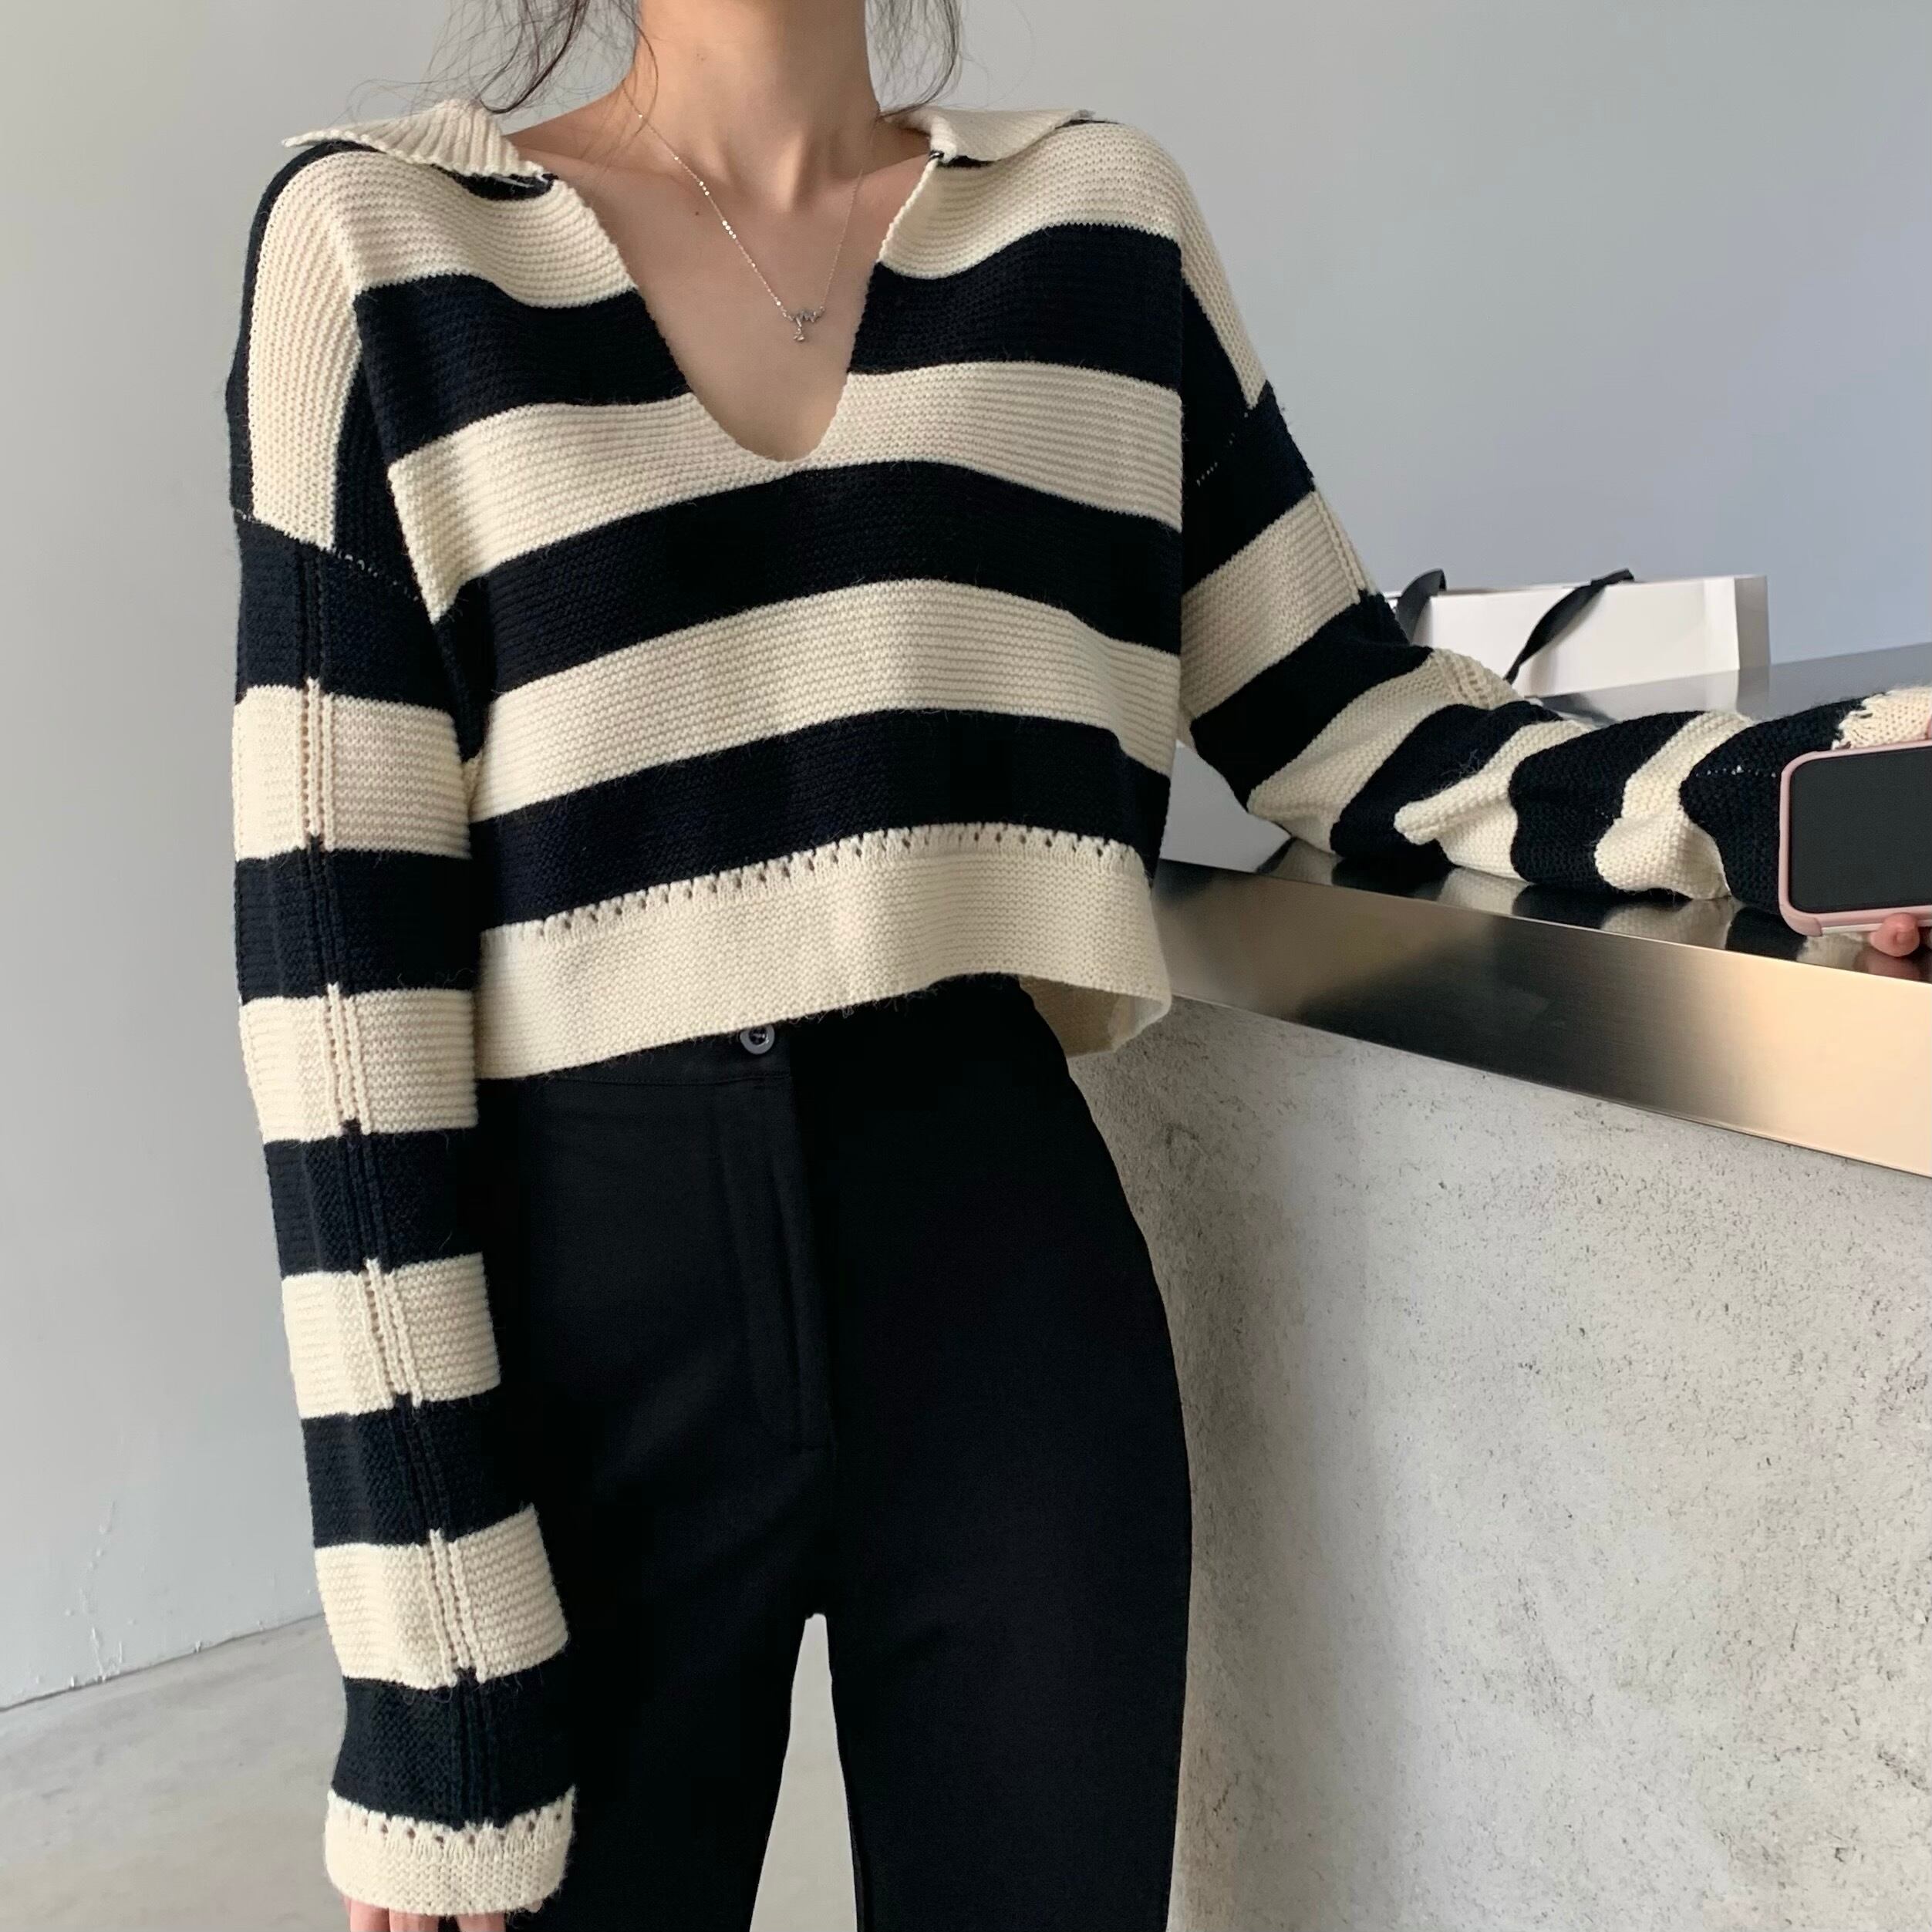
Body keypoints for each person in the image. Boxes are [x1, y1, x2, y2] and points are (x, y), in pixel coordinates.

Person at [222, 2, 1928, 1926]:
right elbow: (337, 993)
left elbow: (1356, 722)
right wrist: (427, 1665)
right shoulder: (381, 247)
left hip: (999, 1265)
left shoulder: (1094, 229)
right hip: (583, 1314)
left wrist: (1780, 791)